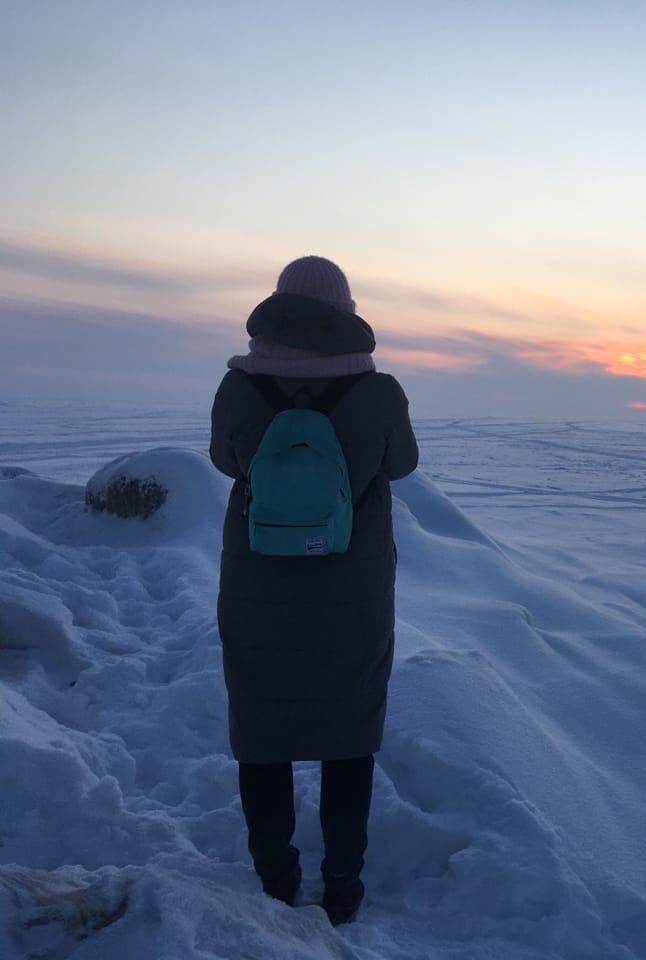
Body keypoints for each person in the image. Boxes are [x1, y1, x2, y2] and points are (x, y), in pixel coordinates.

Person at [210, 256, 419, 924]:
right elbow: (403, 463)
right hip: (351, 591)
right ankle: (342, 881)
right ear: (346, 312)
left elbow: (224, 460)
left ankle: (275, 877)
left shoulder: (240, 388)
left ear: (276, 306)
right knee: (348, 731)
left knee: (262, 728)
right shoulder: (379, 391)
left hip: (258, 584)